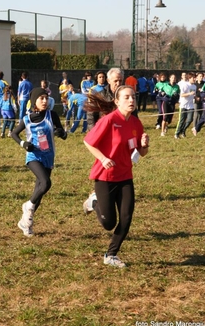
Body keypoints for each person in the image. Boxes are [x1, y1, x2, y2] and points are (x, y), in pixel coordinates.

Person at [83, 85, 149, 268]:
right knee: (108, 222)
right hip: (105, 176)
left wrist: (144, 145)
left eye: (133, 97)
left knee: (127, 217)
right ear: (117, 101)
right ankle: (94, 202)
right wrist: (103, 159)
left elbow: (140, 153)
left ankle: (111, 254)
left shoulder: (135, 123)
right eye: (126, 97)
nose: (131, 100)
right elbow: (88, 142)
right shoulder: (109, 121)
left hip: (125, 176)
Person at [11, 87, 67, 237]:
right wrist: (24, 144)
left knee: (39, 191)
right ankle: (27, 206)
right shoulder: (27, 119)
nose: (45, 101)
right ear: (34, 101)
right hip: (34, 157)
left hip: (48, 157)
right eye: (41, 98)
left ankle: (26, 222)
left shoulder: (52, 115)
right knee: (46, 183)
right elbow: (14, 134)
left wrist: (60, 132)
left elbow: (63, 134)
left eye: (46, 98)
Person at [174, 72, 196, 139]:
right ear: (189, 78)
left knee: (190, 120)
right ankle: (176, 133)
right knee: (181, 120)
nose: (194, 79)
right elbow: (182, 95)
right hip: (183, 105)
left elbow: (193, 95)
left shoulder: (194, 86)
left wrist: (196, 97)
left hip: (191, 106)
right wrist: (189, 93)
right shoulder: (185, 85)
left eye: (195, 78)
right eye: (193, 78)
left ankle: (183, 131)